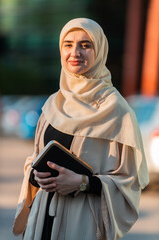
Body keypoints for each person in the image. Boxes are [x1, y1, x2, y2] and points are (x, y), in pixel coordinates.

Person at [13, 18, 149, 240]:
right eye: (68, 44)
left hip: (82, 222)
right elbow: (35, 157)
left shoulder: (117, 111)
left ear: (100, 51)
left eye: (86, 45)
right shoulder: (52, 105)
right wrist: (35, 173)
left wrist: (82, 183)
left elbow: (129, 181)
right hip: (42, 218)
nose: (75, 52)